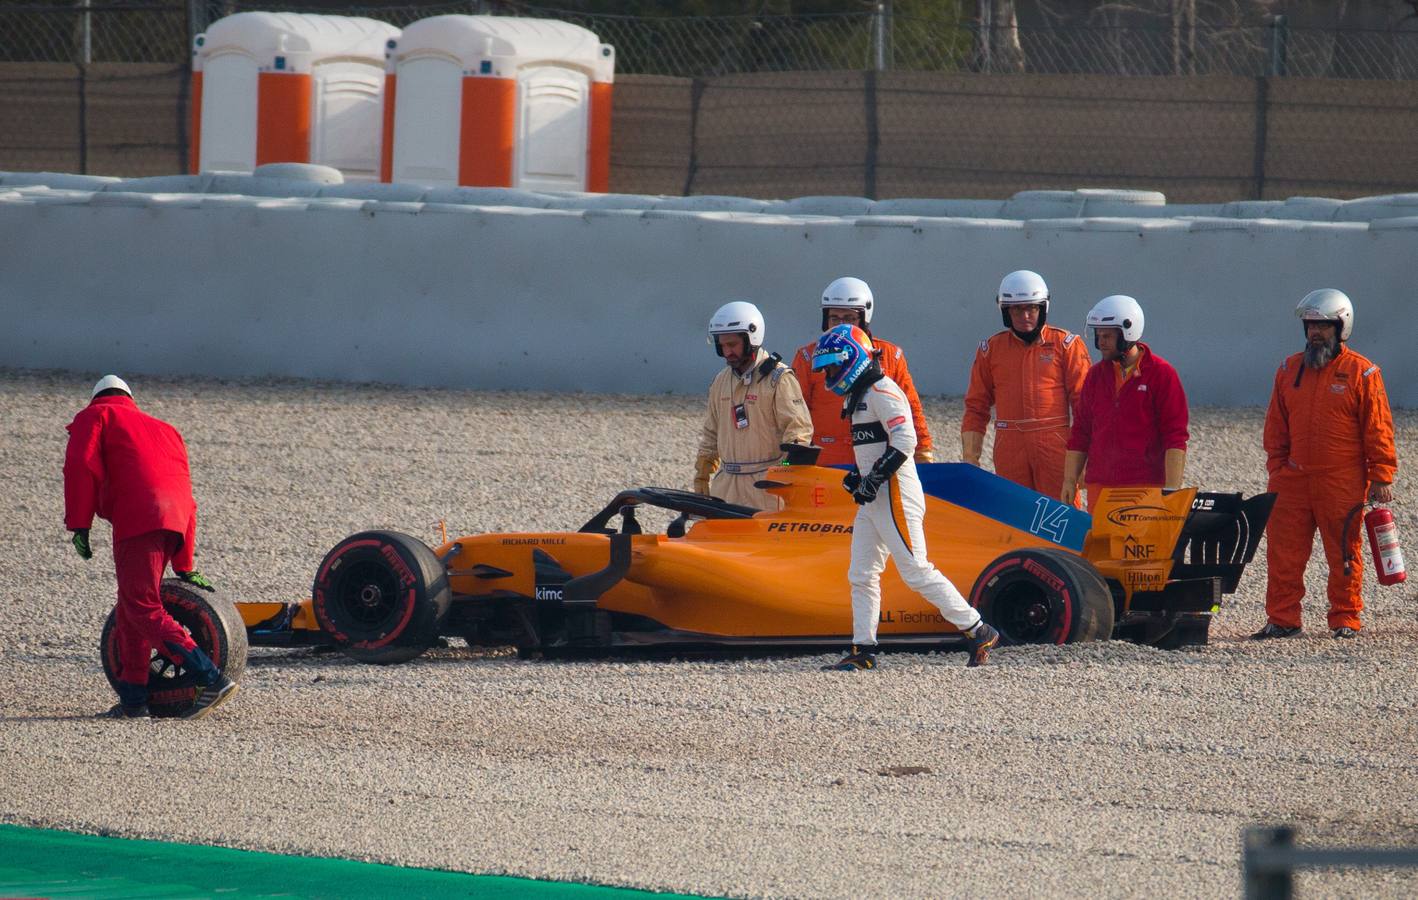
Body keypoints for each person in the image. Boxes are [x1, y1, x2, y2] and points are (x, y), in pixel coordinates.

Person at [810, 324, 1000, 670]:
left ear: (851, 359)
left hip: (895, 492)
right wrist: (860, 479)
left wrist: (874, 479)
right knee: (862, 573)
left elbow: (905, 440)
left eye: (833, 366)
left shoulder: (882, 390)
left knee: (915, 570)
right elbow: (878, 448)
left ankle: (978, 628)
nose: (829, 374)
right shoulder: (861, 396)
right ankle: (862, 651)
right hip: (877, 495)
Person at [64, 375, 238, 719]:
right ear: (130, 397)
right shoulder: (165, 429)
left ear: (97, 397)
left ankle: (210, 676)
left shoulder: (97, 415)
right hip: (176, 519)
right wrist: (185, 562)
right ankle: (133, 702)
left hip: (138, 520)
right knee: (131, 610)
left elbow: (80, 466)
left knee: (142, 607)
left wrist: (79, 523)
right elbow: (183, 491)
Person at [1256, 289, 1398, 640]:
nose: (1315, 332)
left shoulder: (1362, 372)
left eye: (1323, 325)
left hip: (1342, 479)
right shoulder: (1289, 370)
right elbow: (1276, 424)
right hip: (1292, 480)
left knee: (1345, 553)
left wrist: (1382, 473)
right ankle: (1283, 619)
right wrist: (1277, 467)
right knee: (1283, 553)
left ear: (1341, 327)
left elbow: (1377, 426)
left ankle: (1345, 618)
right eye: (1310, 326)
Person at [962, 270, 1091, 504]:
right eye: (1017, 309)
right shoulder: (990, 350)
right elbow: (975, 407)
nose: (1025, 315)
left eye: (1031, 308)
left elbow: (1085, 405)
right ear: (1005, 311)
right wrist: (970, 460)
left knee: (1061, 515)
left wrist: (1084, 459)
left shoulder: (1066, 345)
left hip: (1056, 445)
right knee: (1013, 517)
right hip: (1010, 447)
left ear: (1043, 308)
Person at [1062, 295, 1189, 513]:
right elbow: (1081, 431)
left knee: (1141, 547)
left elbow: (1175, 437)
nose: (1100, 342)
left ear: (1128, 333)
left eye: (1107, 336)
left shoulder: (1161, 374)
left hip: (1144, 488)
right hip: (1100, 487)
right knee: (1101, 548)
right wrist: (1069, 479)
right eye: (1098, 335)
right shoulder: (1095, 376)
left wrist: (1171, 492)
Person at [791, 277, 934, 467]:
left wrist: (923, 455)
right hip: (826, 467)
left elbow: (912, 410)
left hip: (879, 463)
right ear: (825, 320)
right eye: (835, 318)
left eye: (849, 318)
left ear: (864, 318)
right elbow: (794, 416)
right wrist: (791, 464)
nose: (841, 324)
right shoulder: (809, 358)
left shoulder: (890, 356)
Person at [695, 301, 813, 509]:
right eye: (722, 346)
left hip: (767, 490)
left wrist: (783, 473)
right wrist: (702, 475)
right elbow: (711, 434)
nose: (727, 351)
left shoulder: (779, 379)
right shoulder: (720, 382)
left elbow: (798, 435)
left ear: (752, 339)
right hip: (726, 488)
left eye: (732, 345)